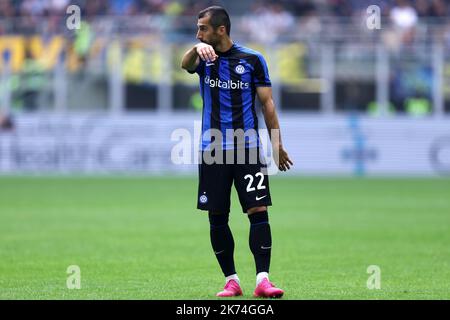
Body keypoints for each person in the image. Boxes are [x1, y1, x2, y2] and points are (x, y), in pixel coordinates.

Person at [181, 6, 293, 298]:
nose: (198, 33)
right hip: (213, 150)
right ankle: (231, 280)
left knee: (258, 210)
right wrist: (196, 47)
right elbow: (184, 64)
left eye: (203, 29)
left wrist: (277, 145)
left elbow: (267, 105)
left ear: (221, 30)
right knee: (217, 216)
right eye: (197, 29)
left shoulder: (253, 60)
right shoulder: (203, 58)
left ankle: (263, 280)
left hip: (248, 150)